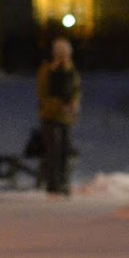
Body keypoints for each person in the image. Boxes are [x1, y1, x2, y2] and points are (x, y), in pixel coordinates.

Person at [36, 36, 81, 196]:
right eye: (61, 54)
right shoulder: (47, 70)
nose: (63, 58)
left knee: (65, 150)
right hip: (50, 116)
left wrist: (74, 104)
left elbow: (76, 89)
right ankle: (53, 185)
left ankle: (64, 182)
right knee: (53, 150)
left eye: (66, 54)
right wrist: (59, 105)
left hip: (66, 117)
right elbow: (43, 95)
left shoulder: (71, 71)